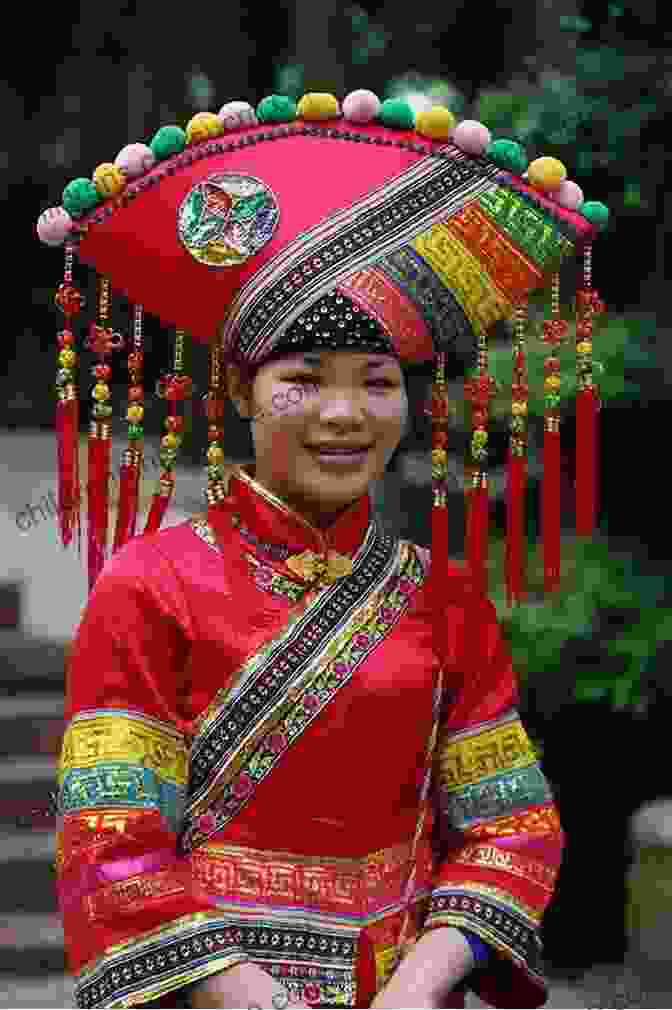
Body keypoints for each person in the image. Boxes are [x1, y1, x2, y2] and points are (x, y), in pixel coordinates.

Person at [39, 88, 609, 1008]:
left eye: (376, 383)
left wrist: (421, 984)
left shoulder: (445, 600)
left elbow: (514, 827)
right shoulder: (149, 583)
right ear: (240, 393)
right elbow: (111, 837)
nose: (344, 415)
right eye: (304, 381)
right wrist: (245, 993)